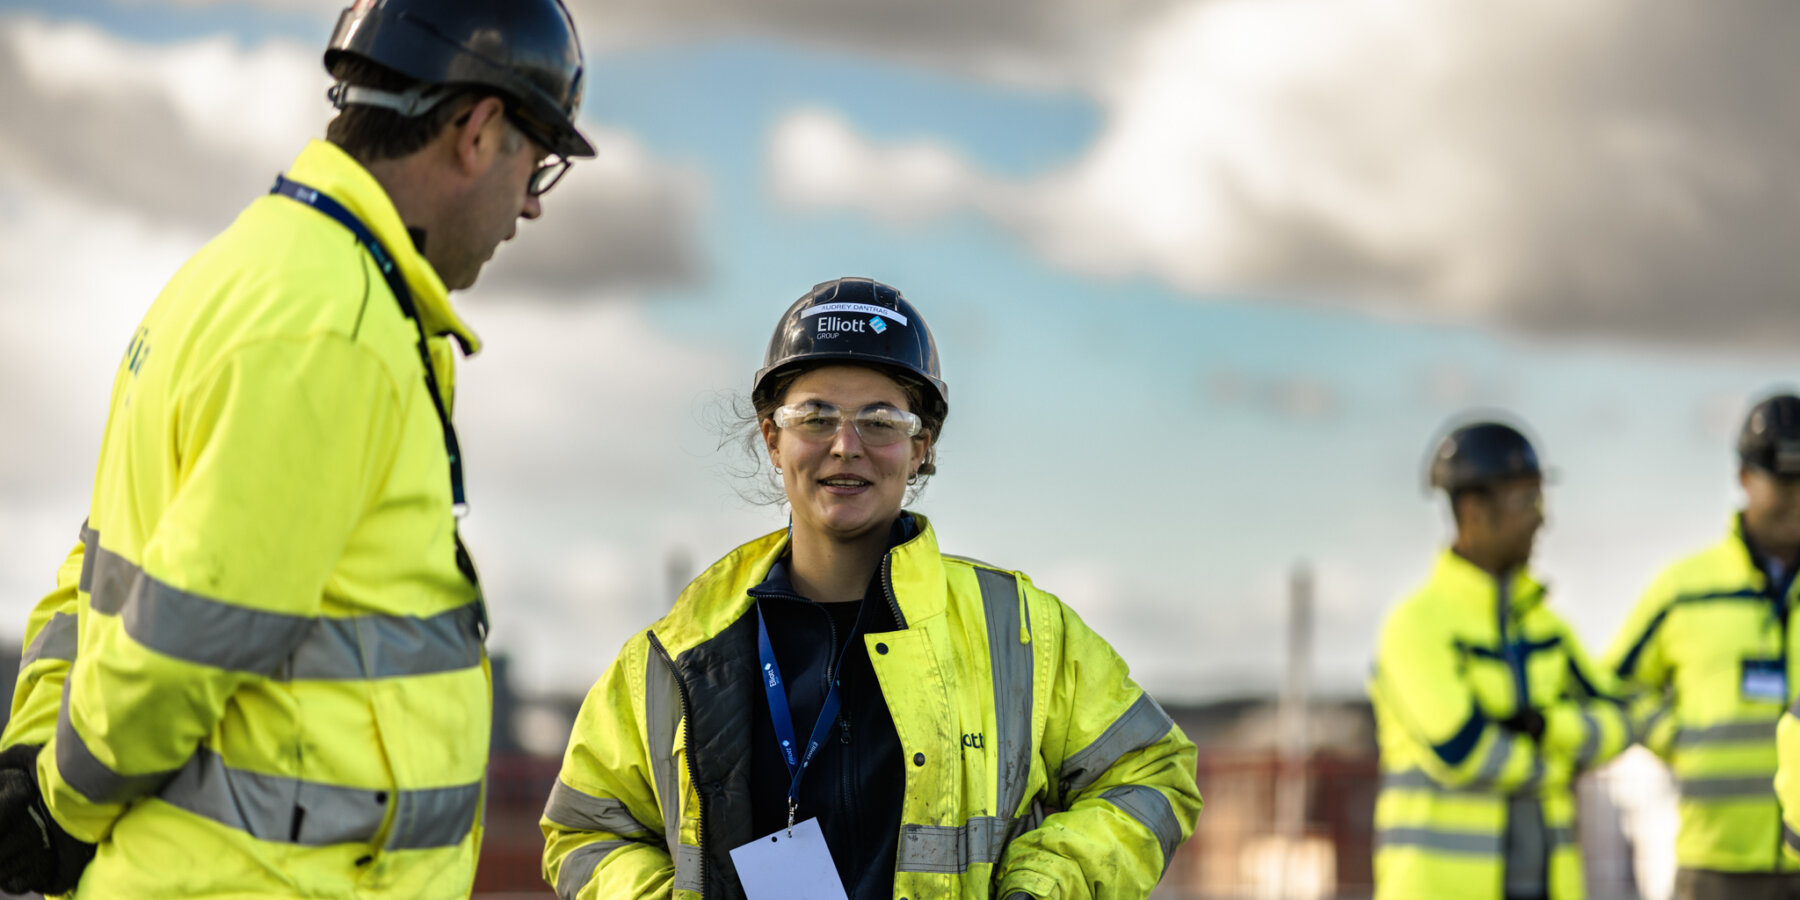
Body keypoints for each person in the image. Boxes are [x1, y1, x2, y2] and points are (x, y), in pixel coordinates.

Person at [0, 0, 594, 896]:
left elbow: (92, 579)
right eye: (536, 164)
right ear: (478, 130)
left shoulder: (232, 276)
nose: (530, 208)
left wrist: (33, 775)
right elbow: (188, 629)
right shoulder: (336, 325)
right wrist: (60, 806)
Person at [539, 277, 1202, 900]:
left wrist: (1044, 884)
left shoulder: (1022, 632)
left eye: (881, 421)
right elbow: (587, 829)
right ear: (773, 439)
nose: (845, 445)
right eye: (815, 417)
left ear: (922, 448)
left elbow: (1152, 774)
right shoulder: (680, 653)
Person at [1367, 420, 1631, 900]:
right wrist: (1556, 766)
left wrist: (1548, 727)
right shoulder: (1415, 625)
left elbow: (1618, 722)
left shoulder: (1547, 628)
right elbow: (1463, 749)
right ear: (1473, 509)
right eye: (1526, 500)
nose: (1541, 519)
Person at [1610, 394, 1800, 900]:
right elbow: (1613, 686)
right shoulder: (1685, 590)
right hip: (1715, 866)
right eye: (1783, 482)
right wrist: (1679, 738)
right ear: (1744, 479)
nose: (1796, 498)